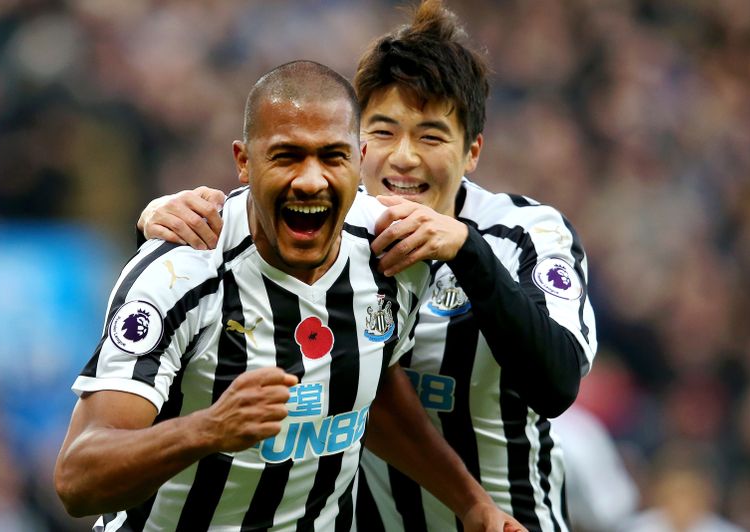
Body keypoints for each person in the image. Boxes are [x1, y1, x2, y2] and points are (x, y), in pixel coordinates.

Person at [138, 1, 597, 530]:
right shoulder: (322, 235)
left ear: (472, 151)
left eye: (430, 136)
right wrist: (161, 224)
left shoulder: (526, 236)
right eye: (383, 132)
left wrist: (468, 253)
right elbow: (239, 237)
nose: (403, 157)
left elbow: (556, 385)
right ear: (356, 144)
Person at [54, 60, 523, 532]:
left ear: (360, 160)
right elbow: (78, 479)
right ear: (243, 161)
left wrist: (471, 502)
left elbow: (373, 390)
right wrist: (209, 429)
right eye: (286, 156)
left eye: (332, 156)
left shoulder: (395, 255)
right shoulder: (180, 272)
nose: (311, 180)